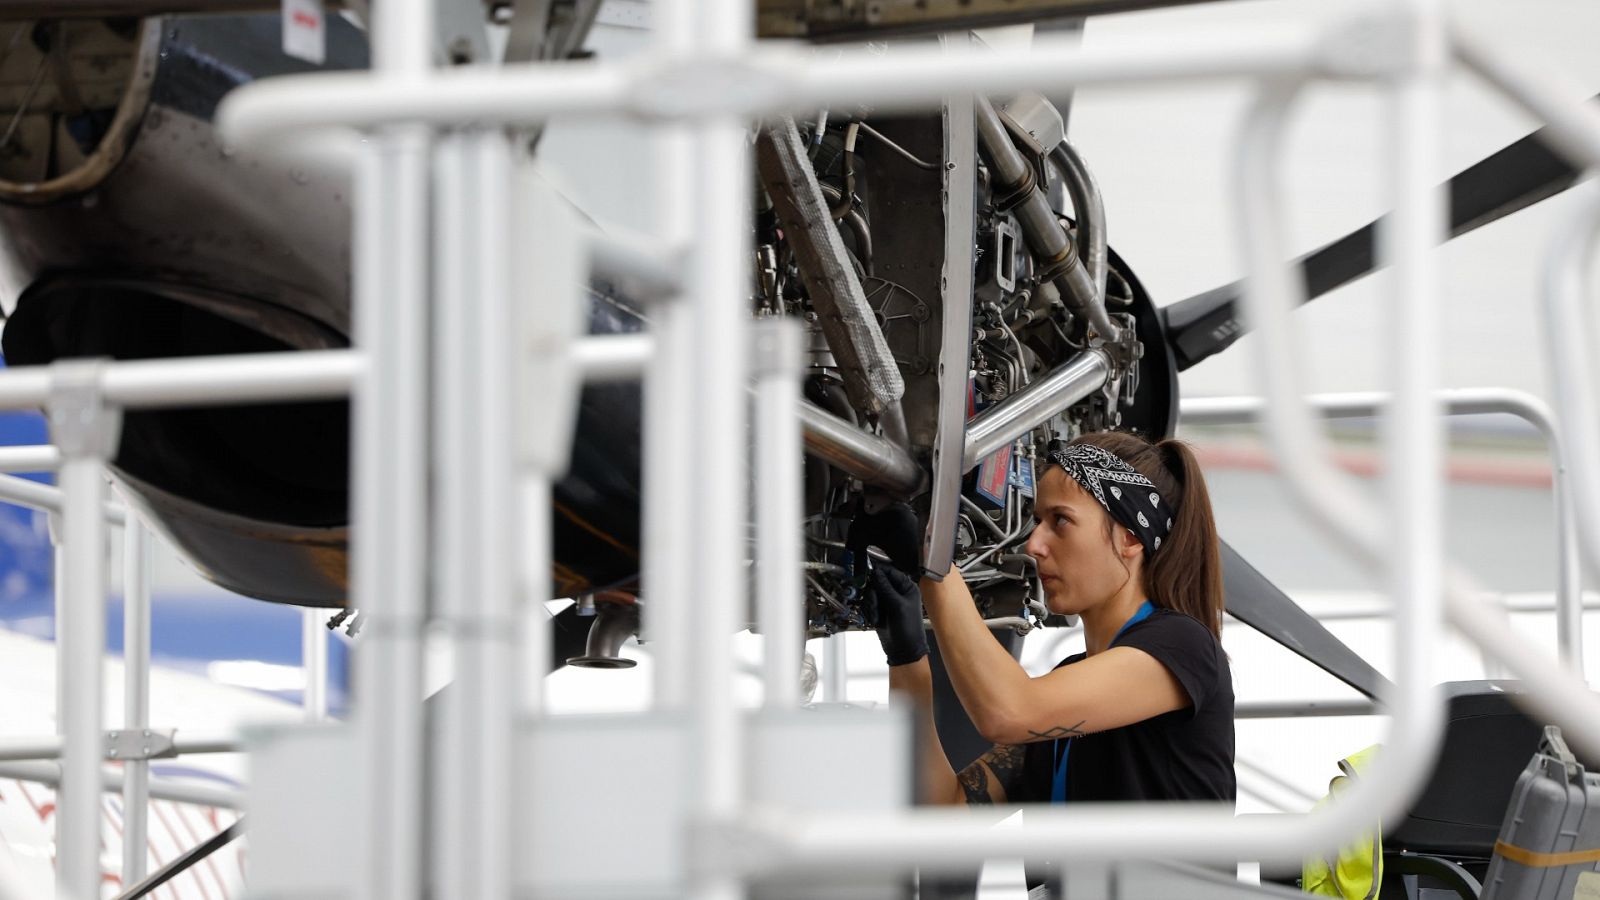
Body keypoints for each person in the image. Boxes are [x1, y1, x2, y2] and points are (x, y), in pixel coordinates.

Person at [855, 430, 1235, 807]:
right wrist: (908, 658)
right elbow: (944, 812)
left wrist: (934, 565)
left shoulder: (1182, 646)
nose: (1034, 545)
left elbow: (1007, 711)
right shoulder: (1060, 696)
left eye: (1061, 521)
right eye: (1038, 521)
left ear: (1131, 538)